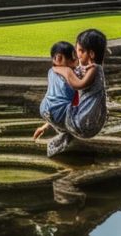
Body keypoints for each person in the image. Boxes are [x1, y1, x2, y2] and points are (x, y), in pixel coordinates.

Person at [34, 29, 109, 157]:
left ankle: (62, 134)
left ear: (91, 54)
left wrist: (63, 70)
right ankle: (63, 139)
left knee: (56, 77)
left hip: (85, 122)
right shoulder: (83, 69)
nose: (77, 55)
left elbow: (78, 84)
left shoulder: (95, 69)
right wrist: (46, 125)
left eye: (80, 51)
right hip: (80, 121)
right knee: (57, 85)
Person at [33, 41, 79, 144]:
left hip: (45, 109)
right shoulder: (73, 74)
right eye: (74, 57)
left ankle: (64, 133)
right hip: (61, 114)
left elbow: (57, 100)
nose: (76, 60)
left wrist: (44, 127)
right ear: (59, 58)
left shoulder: (51, 72)